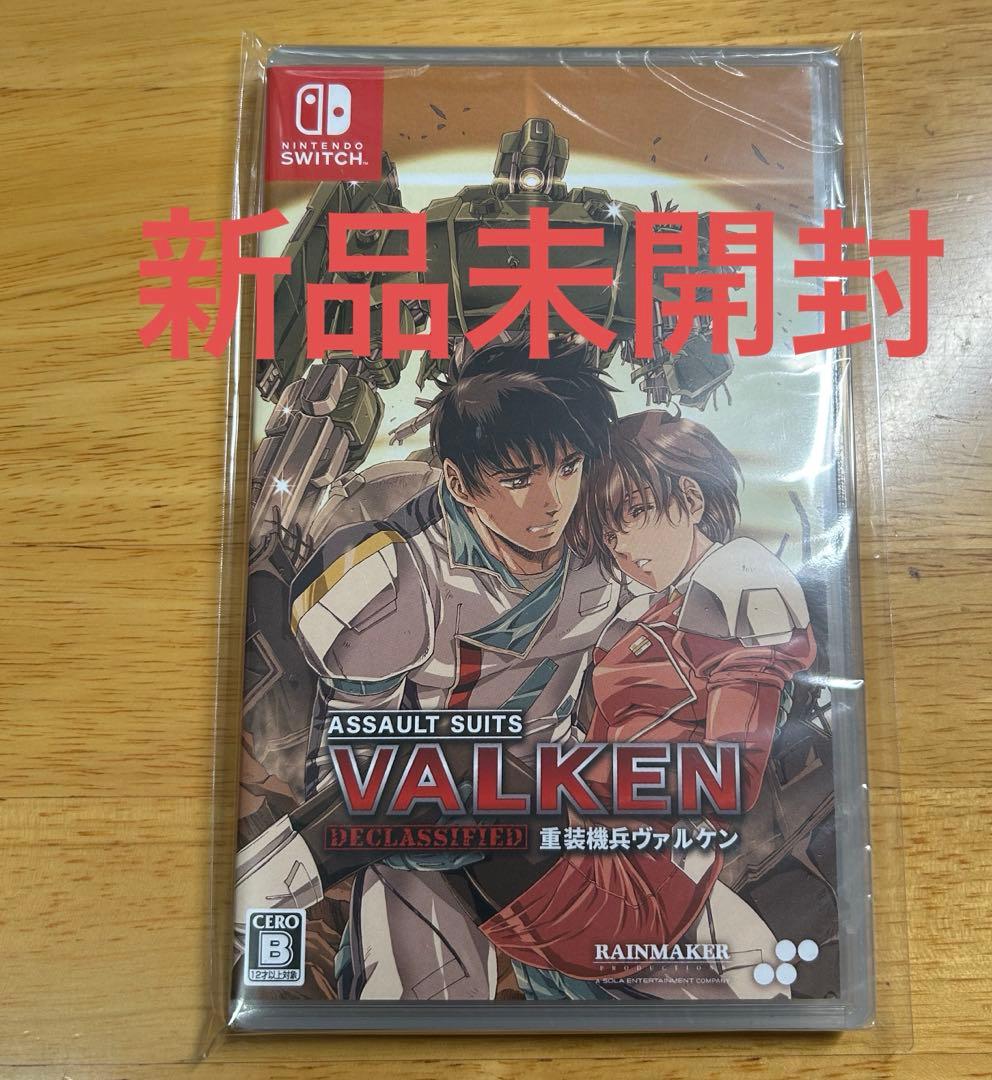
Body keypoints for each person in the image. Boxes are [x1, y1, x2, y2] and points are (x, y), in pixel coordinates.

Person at [236, 349, 622, 1000]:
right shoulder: (395, 577)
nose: (552, 500)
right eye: (518, 477)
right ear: (461, 483)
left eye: (568, 466)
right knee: (424, 1003)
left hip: (553, 828)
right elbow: (358, 773)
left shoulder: (608, 548)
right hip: (417, 845)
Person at [480, 410, 817, 1000]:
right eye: (609, 534)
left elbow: (725, 778)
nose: (623, 548)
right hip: (581, 851)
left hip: (640, 881)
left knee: (448, 771)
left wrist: (570, 780)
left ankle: (300, 871)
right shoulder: (634, 620)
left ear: (690, 498)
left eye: (633, 513)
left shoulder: (740, 583)